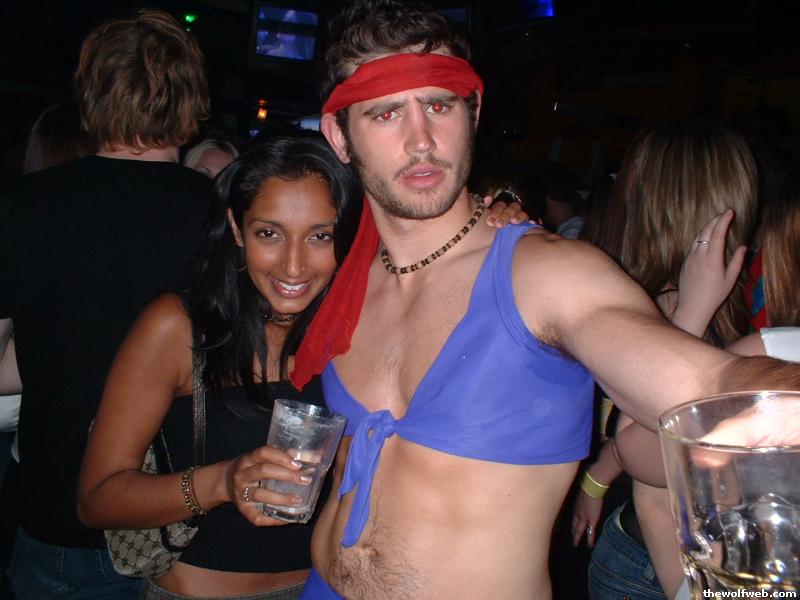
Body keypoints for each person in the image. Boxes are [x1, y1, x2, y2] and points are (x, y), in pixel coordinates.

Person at [283, 2, 800, 598]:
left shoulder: (547, 274)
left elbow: (705, 382)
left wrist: (773, 405)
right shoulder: (344, 273)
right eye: (386, 113)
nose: (421, 139)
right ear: (339, 136)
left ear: (473, 112)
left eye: (440, 105)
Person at [78, 134, 360, 600]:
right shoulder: (178, 328)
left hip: (323, 588)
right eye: (268, 234)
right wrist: (223, 482)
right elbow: (96, 499)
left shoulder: (351, 331)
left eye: (320, 236)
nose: (294, 266)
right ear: (236, 229)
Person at [0, 10, 209, 598]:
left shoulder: (29, 203)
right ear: (191, 99)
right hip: (180, 517)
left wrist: (61, 354)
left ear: (92, 94)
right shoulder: (219, 212)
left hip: (58, 509)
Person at [571, 117, 757, 599]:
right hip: (650, 563)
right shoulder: (647, 304)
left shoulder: (716, 303)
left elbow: (642, 453)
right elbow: (643, 453)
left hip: (679, 566)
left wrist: (693, 311)